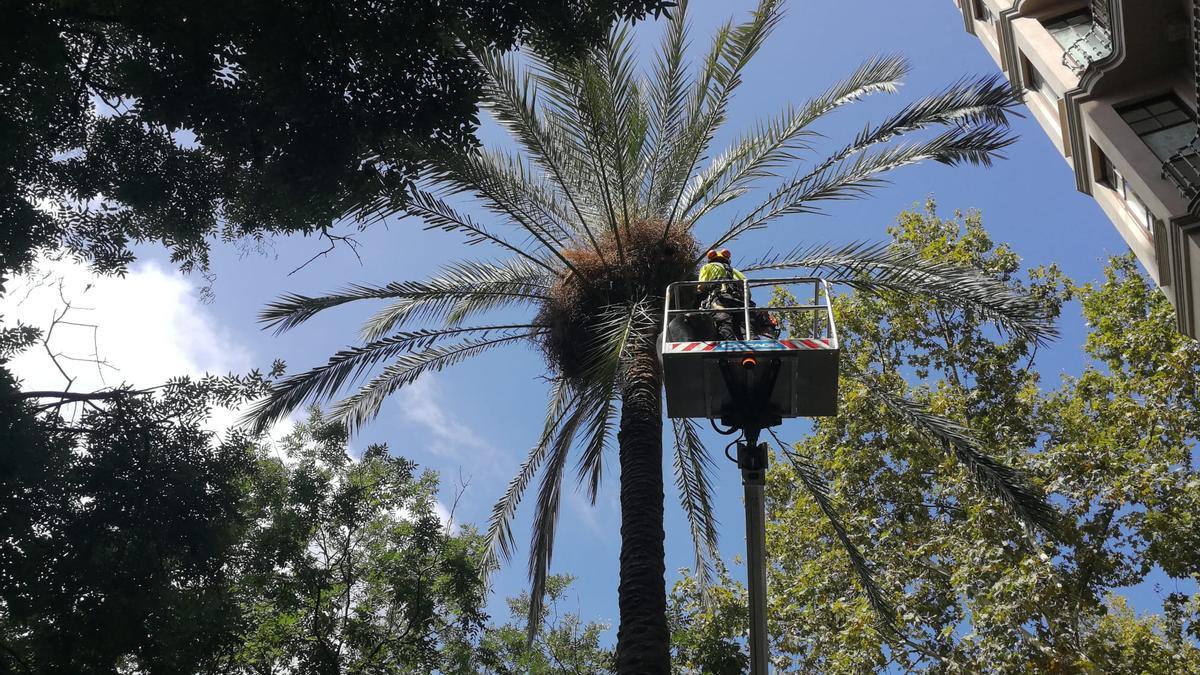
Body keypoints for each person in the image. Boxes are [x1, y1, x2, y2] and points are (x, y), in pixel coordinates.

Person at [697, 248, 777, 341]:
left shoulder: (707, 267)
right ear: (727, 260)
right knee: (745, 327)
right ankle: (754, 343)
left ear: (710, 260)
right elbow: (748, 293)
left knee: (724, 323)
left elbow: (700, 287)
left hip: (721, 300)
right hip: (741, 302)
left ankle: (728, 344)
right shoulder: (737, 272)